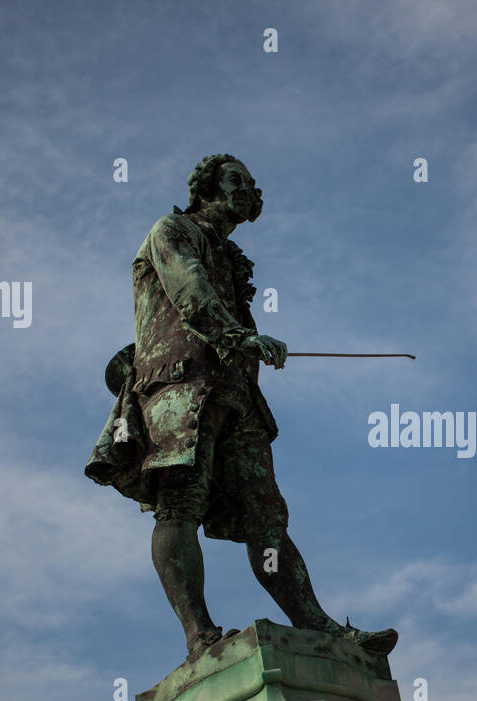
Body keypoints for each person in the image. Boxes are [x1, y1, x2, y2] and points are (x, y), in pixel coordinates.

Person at [86, 154, 397, 660]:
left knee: (267, 518)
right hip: (179, 385)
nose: (247, 189)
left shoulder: (231, 257)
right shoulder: (173, 229)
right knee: (179, 504)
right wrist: (237, 335)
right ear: (206, 188)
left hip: (235, 394)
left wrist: (243, 345)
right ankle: (200, 635)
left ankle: (317, 625)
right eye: (236, 180)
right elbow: (189, 285)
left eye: (252, 184)